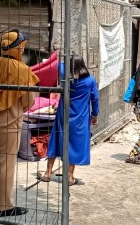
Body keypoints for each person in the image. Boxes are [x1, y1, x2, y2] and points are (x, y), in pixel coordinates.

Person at [0, 29, 39, 217]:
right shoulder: (22, 70)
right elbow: (28, 101)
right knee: (5, 164)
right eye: (23, 46)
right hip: (8, 122)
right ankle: (4, 206)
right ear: (19, 48)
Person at [39, 55, 99, 185]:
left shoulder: (65, 79)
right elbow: (95, 99)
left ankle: (48, 173)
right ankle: (70, 177)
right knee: (74, 145)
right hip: (80, 119)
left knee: (55, 141)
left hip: (63, 115)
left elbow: (58, 65)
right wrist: (94, 115)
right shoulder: (90, 81)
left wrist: (63, 60)